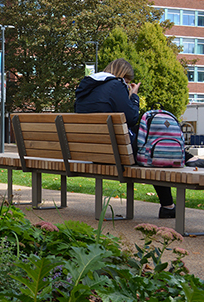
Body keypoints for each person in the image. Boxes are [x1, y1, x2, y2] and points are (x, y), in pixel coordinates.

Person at [74, 58, 202, 219]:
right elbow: (133, 117)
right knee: (153, 148)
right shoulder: (116, 84)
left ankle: (188, 158)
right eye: (127, 82)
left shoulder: (85, 88)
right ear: (122, 76)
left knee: (147, 137)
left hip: (95, 152)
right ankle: (169, 204)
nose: (127, 85)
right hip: (116, 152)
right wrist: (133, 96)